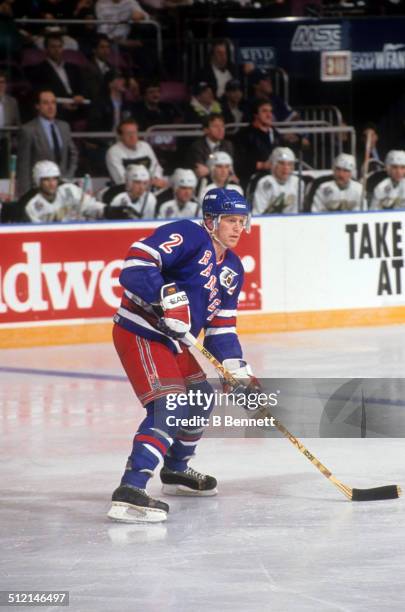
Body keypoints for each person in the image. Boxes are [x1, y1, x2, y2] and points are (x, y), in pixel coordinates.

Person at [108, 187, 260, 523]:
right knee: (171, 405)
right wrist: (166, 297)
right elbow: (136, 263)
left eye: (241, 221)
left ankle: (176, 470)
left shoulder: (233, 268)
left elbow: (221, 328)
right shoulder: (188, 234)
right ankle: (131, 489)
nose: (238, 228)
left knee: (201, 397)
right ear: (210, 220)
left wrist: (236, 367)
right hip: (141, 330)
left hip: (173, 341)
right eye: (230, 221)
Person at [16, 90, 78, 195]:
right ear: (37, 106)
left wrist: (68, 176)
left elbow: (74, 154)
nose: (51, 107)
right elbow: (23, 165)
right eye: (45, 103)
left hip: (62, 186)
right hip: (38, 189)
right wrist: (25, 195)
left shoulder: (64, 126)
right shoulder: (28, 130)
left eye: (53, 102)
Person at [21, 160, 105, 222]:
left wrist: (107, 211)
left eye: (54, 179)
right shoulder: (31, 206)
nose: (52, 184)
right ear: (38, 182)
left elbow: (92, 206)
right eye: (46, 180)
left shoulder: (69, 191)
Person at [235, 99, 284, 190]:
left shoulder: (276, 134)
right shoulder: (244, 135)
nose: (269, 115)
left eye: (270, 111)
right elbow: (239, 163)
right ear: (255, 114)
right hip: (253, 182)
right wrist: (261, 165)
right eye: (264, 111)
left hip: (276, 180)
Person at [106, 118, 167, 188]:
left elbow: (156, 167)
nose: (132, 136)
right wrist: (150, 183)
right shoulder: (113, 152)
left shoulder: (145, 146)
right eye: (128, 133)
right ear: (121, 136)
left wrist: (156, 178)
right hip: (126, 192)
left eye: (134, 132)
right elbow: (121, 180)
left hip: (152, 188)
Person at [252, 147, 304, 215]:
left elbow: (297, 212)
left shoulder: (298, 183)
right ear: (273, 165)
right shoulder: (265, 182)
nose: (286, 168)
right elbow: (258, 213)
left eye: (290, 164)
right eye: (282, 163)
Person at [188, 113, 234, 179]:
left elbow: (230, 168)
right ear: (206, 130)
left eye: (222, 126)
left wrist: (209, 170)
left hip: (224, 180)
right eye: (215, 126)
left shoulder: (228, 145)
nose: (220, 129)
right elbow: (201, 171)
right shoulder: (197, 146)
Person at [0, 71, 20, 178]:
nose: (1, 85)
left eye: (2, 82)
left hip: (6, 140)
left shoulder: (12, 102)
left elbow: (17, 123)